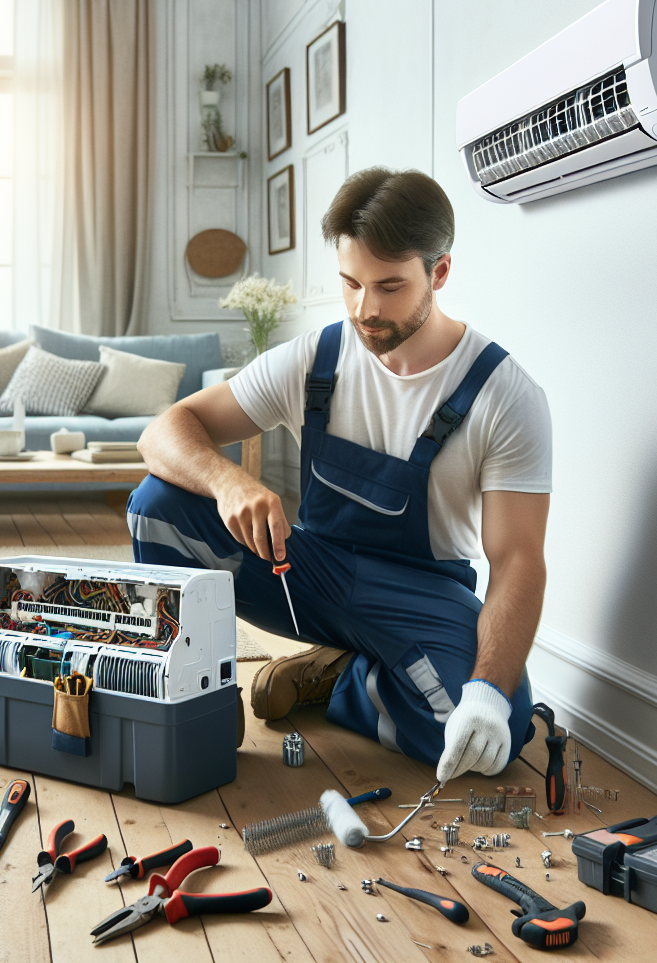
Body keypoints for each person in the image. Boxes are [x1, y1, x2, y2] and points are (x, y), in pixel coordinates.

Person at [129, 167, 552, 783]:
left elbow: (518, 559)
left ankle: (342, 679)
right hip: (306, 573)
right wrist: (229, 481)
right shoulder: (317, 357)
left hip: (423, 592)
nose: (364, 310)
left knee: (493, 733)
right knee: (156, 506)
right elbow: (163, 431)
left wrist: (487, 689)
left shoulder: (505, 396)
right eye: (350, 283)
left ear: (440, 273)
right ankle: (193, 698)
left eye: (388, 287)